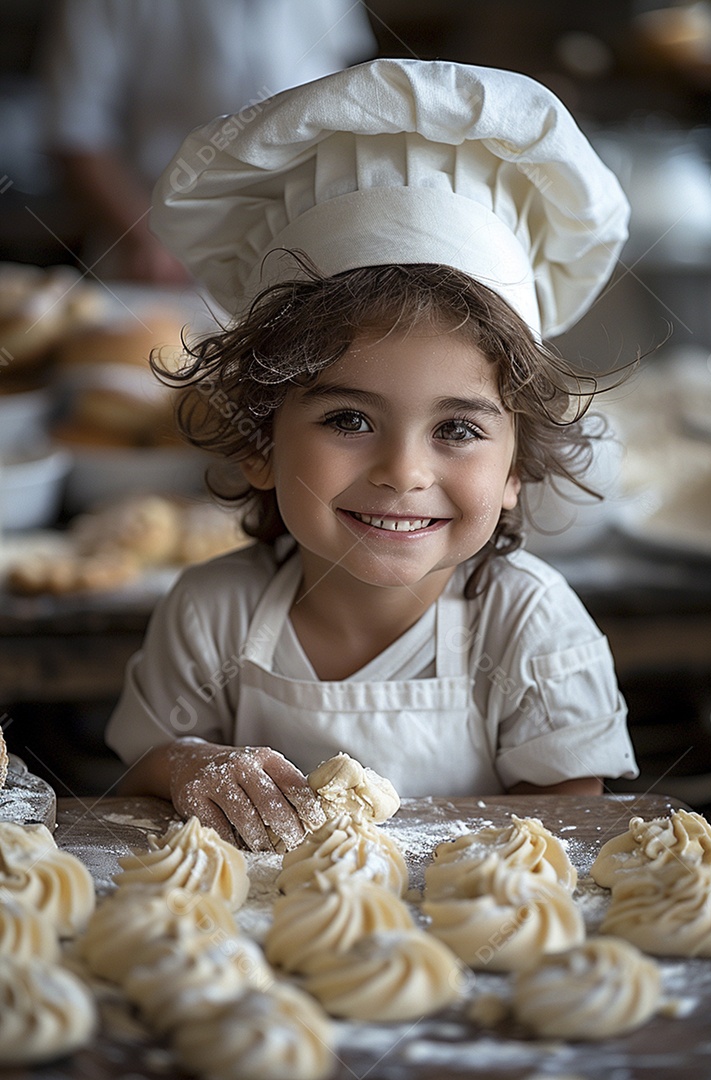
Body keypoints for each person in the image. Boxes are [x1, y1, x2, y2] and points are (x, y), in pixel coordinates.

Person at [106, 59, 639, 850]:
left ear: (517, 471)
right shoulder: (212, 616)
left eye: (456, 430)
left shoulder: (527, 624)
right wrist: (189, 764)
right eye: (350, 419)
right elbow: (141, 769)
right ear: (259, 440)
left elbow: (566, 834)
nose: (403, 472)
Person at [40, 0, 376, 282]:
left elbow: (343, 88)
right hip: (156, 264)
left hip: (302, 259)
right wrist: (146, 236)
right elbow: (75, 129)